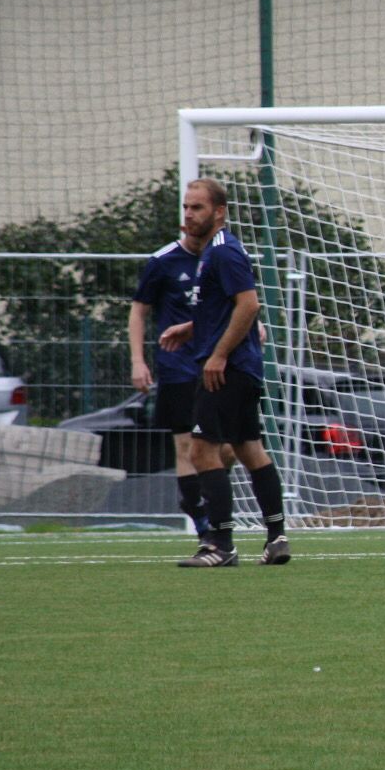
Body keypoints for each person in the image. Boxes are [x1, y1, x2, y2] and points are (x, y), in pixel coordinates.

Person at [158, 178, 290, 568]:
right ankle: (276, 537)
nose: (188, 215)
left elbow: (248, 306)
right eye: (186, 207)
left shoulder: (223, 252)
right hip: (240, 365)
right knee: (249, 448)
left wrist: (217, 355)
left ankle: (221, 544)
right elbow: (223, 310)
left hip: (226, 369)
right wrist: (191, 327)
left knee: (201, 450)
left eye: (196, 208)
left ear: (218, 212)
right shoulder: (213, 254)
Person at [129, 217, 219, 543]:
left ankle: (200, 498)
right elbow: (139, 311)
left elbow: (240, 300)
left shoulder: (221, 257)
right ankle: (203, 523)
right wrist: (138, 361)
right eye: (188, 211)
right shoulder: (163, 261)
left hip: (217, 363)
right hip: (177, 366)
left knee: (227, 448)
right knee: (186, 446)